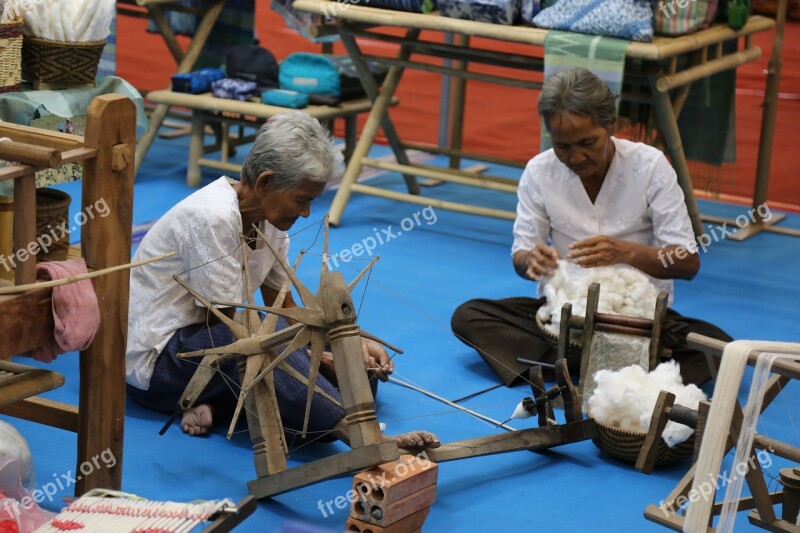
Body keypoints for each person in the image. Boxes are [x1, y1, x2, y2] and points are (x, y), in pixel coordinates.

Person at [126, 112, 438, 450]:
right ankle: (358, 433)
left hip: (211, 351)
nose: (306, 213)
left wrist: (345, 346)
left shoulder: (270, 218)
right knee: (262, 337)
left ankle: (218, 404)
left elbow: (286, 308)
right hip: (161, 363)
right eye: (301, 199)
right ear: (265, 184)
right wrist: (308, 360)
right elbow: (236, 328)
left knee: (343, 364)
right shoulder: (212, 217)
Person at [451, 68, 731, 388]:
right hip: (562, 320)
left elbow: (687, 263)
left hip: (636, 321)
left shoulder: (650, 166)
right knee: (468, 316)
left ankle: (571, 370)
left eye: (587, 142)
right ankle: (621, 373)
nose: (576, 156)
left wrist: (625, 252)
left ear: (611, 125)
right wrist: (531, 260)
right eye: (563, 146)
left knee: (720, 348)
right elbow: (521, 253)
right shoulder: (539, 172)